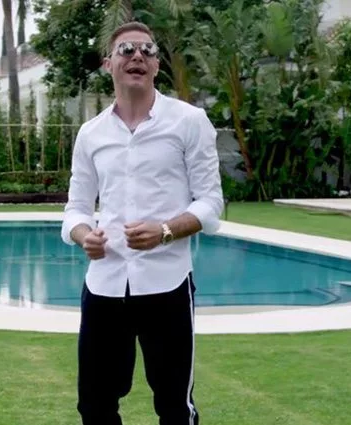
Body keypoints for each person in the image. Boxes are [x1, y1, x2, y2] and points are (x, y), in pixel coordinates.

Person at [61, 21, 224, 425]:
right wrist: (85, 236)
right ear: (108, 64)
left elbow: (211, 203)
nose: (138, 56)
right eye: (127, 49)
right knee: (94, 406)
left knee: (174, 406)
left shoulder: (189, 121)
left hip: (167, 283)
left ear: (156, 66)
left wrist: (164, 231)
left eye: (147, 50)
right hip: (104, 285)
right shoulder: (91, 134)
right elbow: (76, 209)